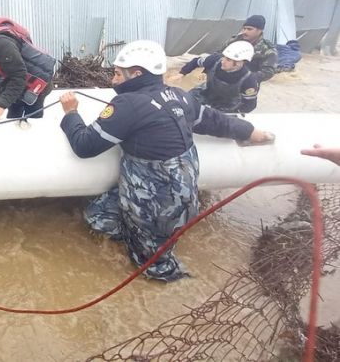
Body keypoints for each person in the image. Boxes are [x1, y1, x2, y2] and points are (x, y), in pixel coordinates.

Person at [59, 40, 274, 282]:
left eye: (118, 74)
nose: (113, 79)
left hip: (158, 205)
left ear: (136, 74)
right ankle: (135, 228)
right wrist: (249, 131)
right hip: (182, 194)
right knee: (97, 216)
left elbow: (84, 146)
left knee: (152, 267)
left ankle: (175, 281)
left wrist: (71, 113)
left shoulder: (127, 104)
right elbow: (215, 121)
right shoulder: (179, 96)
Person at [173, 41, 260, 113]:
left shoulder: (249, 80)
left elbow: (249, 105)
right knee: (184, 103)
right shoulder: (214, 60)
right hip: (206, 94)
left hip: (228, 105)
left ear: (240, 63)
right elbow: (196, 61)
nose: (223, 61)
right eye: (224, 57)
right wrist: (182, 73)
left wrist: (231, 112)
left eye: (228, 60)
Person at [222, 15, 277, 82]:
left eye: (249, 29)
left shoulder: (267, 49)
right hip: (222, 79)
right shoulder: (234, 41)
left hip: (246, 84)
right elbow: (219, 54)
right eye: (244, 28)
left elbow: (268, 72)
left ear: (259, 30)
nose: (245, 32)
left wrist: (246, 77)